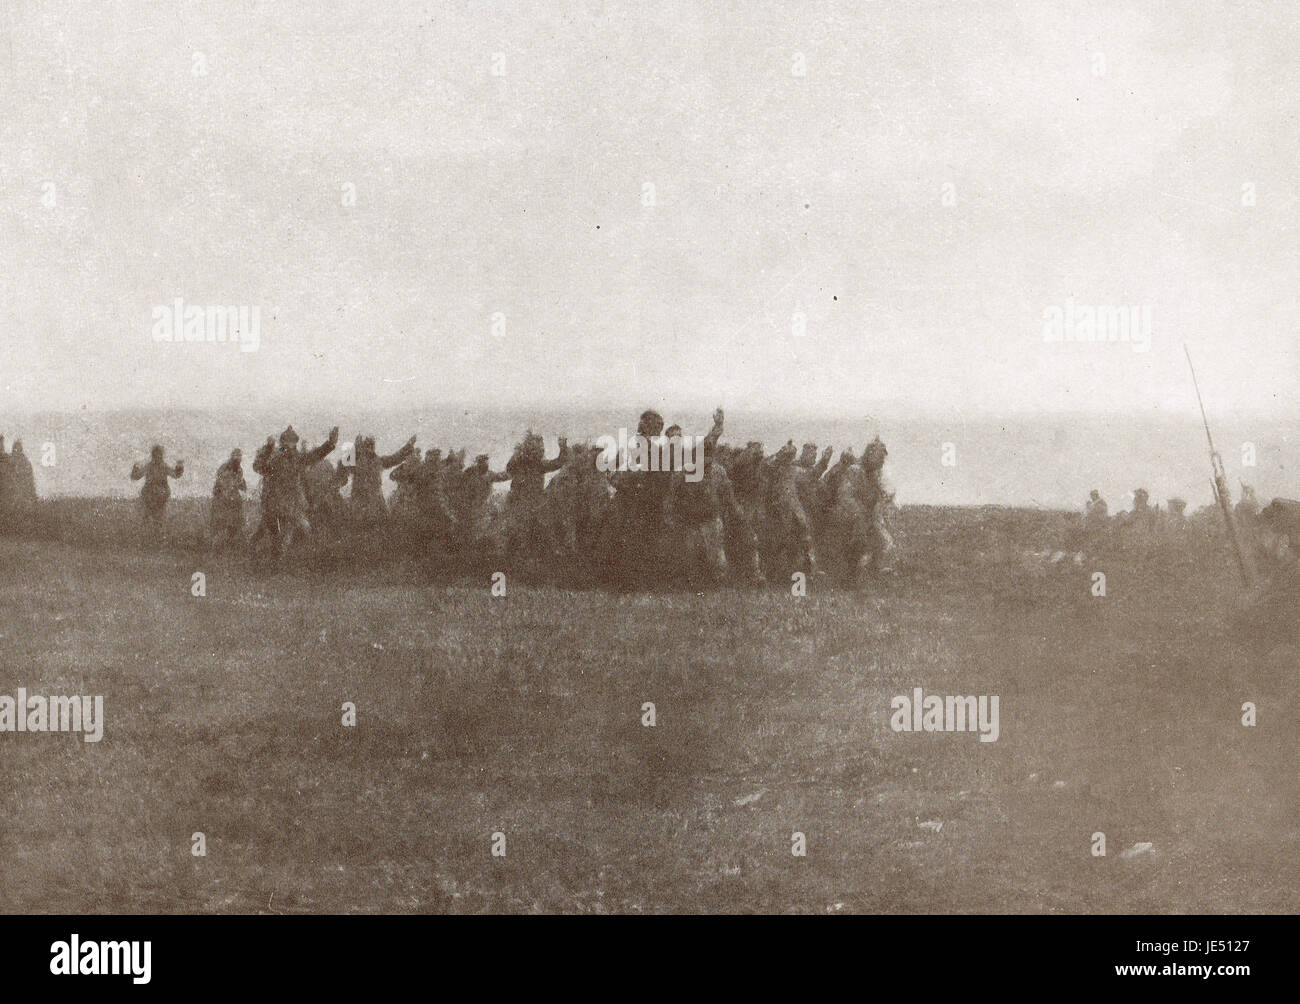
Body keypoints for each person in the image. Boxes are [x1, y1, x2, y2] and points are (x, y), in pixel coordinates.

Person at [130, 445, 184, 527]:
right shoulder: (158, 466)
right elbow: (176, 475)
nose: (158, 457)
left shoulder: (155, 466)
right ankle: (154, 530)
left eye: (159, 455)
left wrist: (135, 468)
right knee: (155, 517)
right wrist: (179, 467)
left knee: (153, 516)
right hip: (156, 494)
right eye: (157, 455)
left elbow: (136, 476)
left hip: (154, 494)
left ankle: (152, 530)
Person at [210, 449, 247, 547]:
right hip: (222, 498)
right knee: (220, 522)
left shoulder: (239, 469)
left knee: (235, 521)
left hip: (233, 498)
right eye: (236, 456)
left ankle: (230, 543)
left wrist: (242, 485)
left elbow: (239, 482)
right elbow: (220, 482)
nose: (238, 458)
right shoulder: (224, 468)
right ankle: (216, 544)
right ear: (232, 456)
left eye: (239, 456)